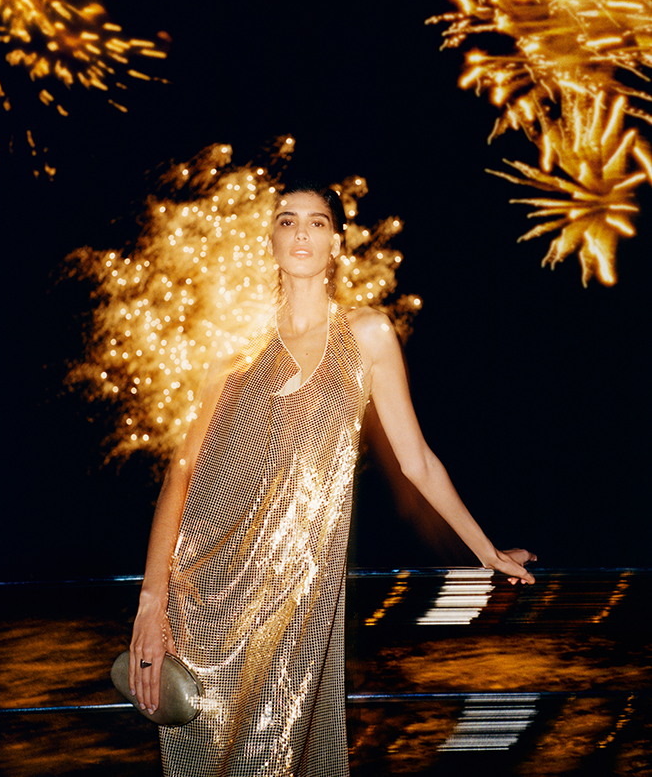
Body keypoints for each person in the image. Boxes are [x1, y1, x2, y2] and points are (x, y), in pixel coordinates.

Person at [129, 182, 536, 776]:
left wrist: (485, 551)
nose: (301, 232)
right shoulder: (234, 348)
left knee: (281, 757)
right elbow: (182, 472)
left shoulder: (367, 334)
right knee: (204, 759)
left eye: (317, 222)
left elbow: (417, 461)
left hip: (300, 601)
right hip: (207, 598)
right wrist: (150, 603)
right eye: (286, 220)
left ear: (337, 243)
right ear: (271, 239)